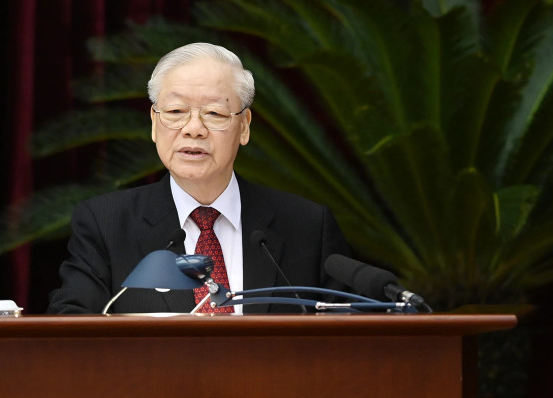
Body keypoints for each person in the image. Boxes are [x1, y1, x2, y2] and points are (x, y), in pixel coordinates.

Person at [48, 42, 351, 314]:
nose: (193, 128)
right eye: (176, 111)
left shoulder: (308, 225)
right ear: (154, 123)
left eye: (215, 114)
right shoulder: (106, 224)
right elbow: (71, 329)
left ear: (244, 126)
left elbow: (349, 338)